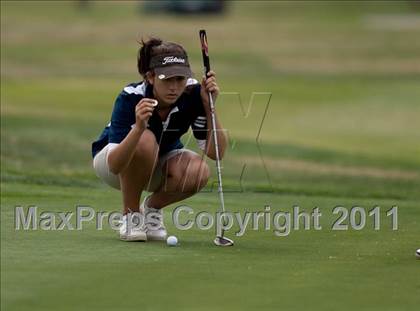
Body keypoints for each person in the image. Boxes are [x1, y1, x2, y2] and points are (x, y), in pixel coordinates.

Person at [91, 37, 227, 241]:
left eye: (180, 79)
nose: (174, 87)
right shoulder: (131, 97)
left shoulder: (194, 95)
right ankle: (131, 215)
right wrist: (138, 128)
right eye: (167, 79)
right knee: (144, 140)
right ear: (151, 77)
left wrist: (210, 107)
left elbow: (216, 153)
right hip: (113, 162)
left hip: (160, 161)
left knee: (199, 171)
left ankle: (152, 210)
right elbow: (115, 165)